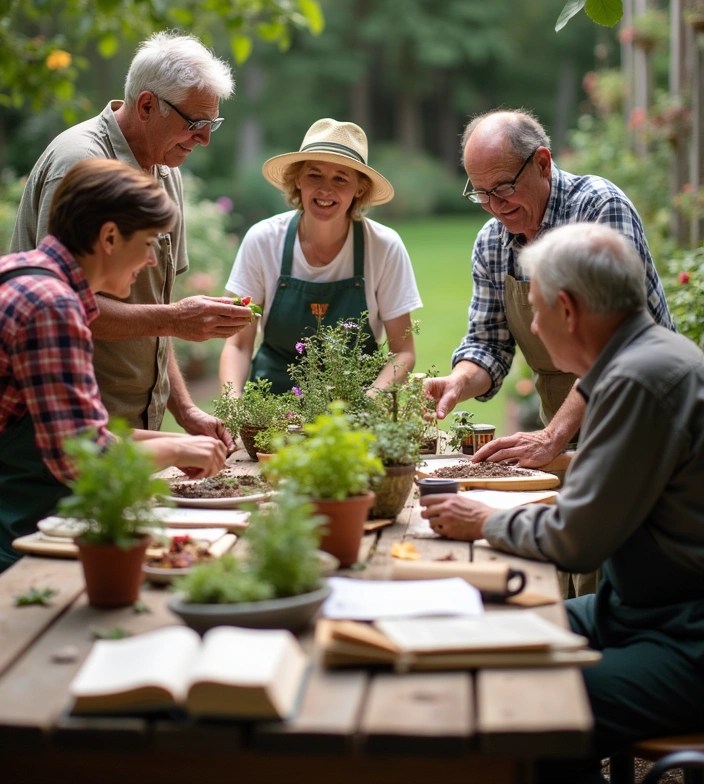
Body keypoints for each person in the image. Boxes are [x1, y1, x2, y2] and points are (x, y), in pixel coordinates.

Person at [420, 223, 704, 784]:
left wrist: (488, 520)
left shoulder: (642, 380)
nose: (536, 328)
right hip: (635, 613)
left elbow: (578, 541)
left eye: (536, 311)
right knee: (489, 631)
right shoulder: (642, 360)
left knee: (529, 698)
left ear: (568, 309)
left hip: (684, 639)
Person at [11, 30, 253, 441]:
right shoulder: (81, 164)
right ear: (146, 105)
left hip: (134, 432)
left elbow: (155, 306)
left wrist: (186, 410)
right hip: (65, 430)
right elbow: (66, 304)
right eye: (195, 123)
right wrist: (177, 319)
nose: (205, 139)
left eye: (212, 123)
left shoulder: (165, 171)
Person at [0, 159, 232, 572]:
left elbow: (75, 434)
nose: (149, 261)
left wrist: (169, 446)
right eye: (146, 244)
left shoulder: (24, 272)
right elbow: (82, 458)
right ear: (109, 237)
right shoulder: (52, 306)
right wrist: (175, 446)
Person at [425, 108, 673, 466]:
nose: (495, 206)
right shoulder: (491, 242)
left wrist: (552, 436)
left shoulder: (599, 208)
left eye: (504, 187)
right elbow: (488, 344)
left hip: (642, 422)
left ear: (542, 163)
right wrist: (459, 381)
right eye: (481, 194)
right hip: (563, 439)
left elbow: (618, 345)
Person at [219, 117, 422, 395]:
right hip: (270, 406)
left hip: (353, 406)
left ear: (360, 188)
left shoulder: (384, 246)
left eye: (341, 178)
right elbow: (238, 344)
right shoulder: (263, 239)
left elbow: (403, 352)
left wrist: (368, 403)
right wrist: (235, 405)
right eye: (314, 174)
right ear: (298, 179)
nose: (326, 189)